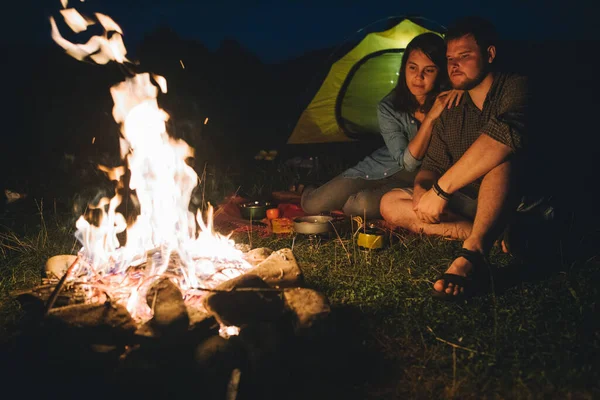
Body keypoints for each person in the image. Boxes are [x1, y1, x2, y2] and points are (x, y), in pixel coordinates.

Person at [380, 16, 530, 300]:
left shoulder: (515, 86)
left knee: (500, 161)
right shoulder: (452, 106)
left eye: (464, 56)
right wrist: (421, 189)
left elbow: (505, 136)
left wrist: (440, 191)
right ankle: (487, 232)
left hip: (511, 198)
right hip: (467, 202)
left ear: (489, 54)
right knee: (389, 203)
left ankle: (471, 254)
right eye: (450, 59)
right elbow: (431, 165)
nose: (454, 65)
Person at [298, 33, 462, 220]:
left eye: (429, 70)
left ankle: (352, 199)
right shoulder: (389, 106)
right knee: (313, 205)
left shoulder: (448, 103)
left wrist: (434, 114)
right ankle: (309, 187)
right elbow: (406, 161)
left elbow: (415, 167)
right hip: (381, 167)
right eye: (412, 68)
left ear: (440, 72)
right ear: (404, 67)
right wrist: (432, 117)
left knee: (358, 206)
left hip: (421, 177)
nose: (418, 77)